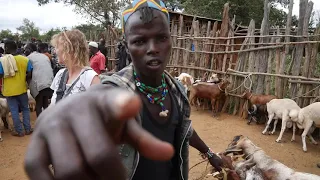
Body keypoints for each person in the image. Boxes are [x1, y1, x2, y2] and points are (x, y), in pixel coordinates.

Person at [24, 1, 223, 180]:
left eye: (161, 37)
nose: (153, 48)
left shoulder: (177, 89)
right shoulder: (116, 91)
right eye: (139, 41)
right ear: (127, 47)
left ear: (171, 41)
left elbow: (184, 128)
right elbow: (99, 98)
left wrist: (210, 154)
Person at [48, 30, 100, 106]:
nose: (55, 51)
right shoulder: (60, 74)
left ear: (69, 49)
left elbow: (98, 113)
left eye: (57, 47)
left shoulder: (90, 78)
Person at [0, 40, 33, 137]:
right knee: (25, 109)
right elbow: (30, 72)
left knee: (14, 110)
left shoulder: (2, 61)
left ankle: (19, 131)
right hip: (22, 89)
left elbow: (0, 74)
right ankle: (28, 129)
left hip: (9, 91)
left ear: (6, 48)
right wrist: (23, 78)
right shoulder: (25, 59)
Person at [26, 43, 54, 117]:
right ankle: (48, 122)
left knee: (38, 105)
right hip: (50, 83)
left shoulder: (28, 58)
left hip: (39, 85)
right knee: (45, 103)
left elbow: (29, 73)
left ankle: (40, 124)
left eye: (26, 49)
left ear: (29, 50)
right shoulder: (44, 56)